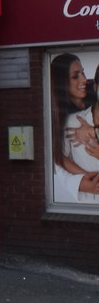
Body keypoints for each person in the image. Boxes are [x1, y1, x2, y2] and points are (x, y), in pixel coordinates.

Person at [49, 53, 99, 201]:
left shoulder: (92, 91)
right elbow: (58, 157)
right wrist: (85, 181)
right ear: (61, 82)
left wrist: (94, 130)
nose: (84, 79)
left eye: (83, 72)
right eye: (75, 76)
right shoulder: (62, 117)